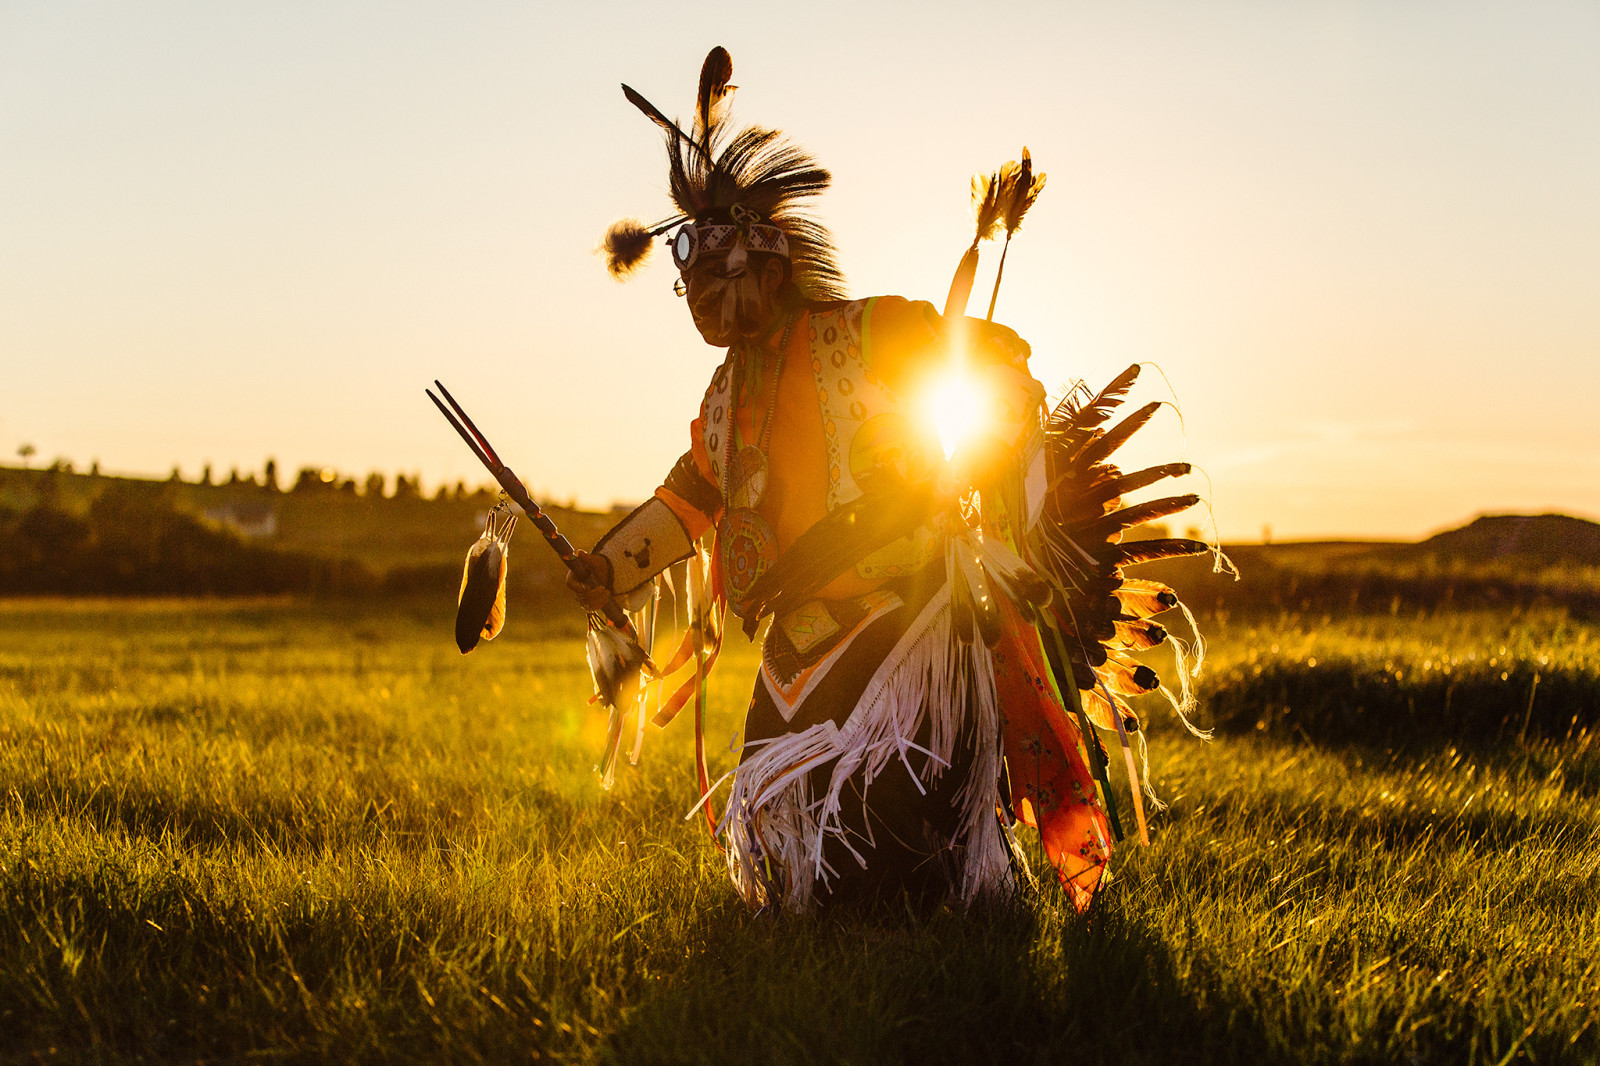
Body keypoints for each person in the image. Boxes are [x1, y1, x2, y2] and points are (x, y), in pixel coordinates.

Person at [568, 48, 1208, 914]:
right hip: (793, 640)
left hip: (898, 627)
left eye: (722, 276)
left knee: (888, 852)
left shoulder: (866, 335)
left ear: (771, 262)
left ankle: (943, 901)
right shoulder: (726, 395)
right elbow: (693, 497)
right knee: (792, 864)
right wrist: (607, 569)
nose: (707, 304)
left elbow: (991, 370)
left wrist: (981, 457)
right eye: (693, 285)